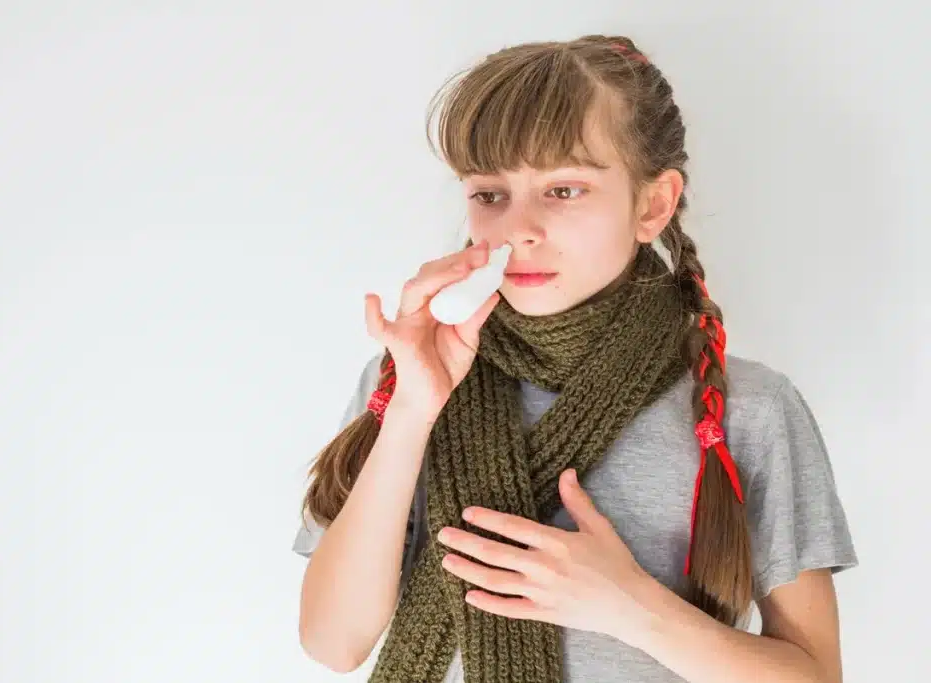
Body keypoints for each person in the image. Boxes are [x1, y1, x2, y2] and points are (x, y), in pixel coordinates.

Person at [292, 34, 858, 683]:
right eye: (489, 194)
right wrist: (414, 408)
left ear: (652, 203)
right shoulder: (407, 377)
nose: (518, 229)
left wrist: (629, 604)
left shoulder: (746, 409)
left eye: (563, 190)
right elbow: (333, 643)